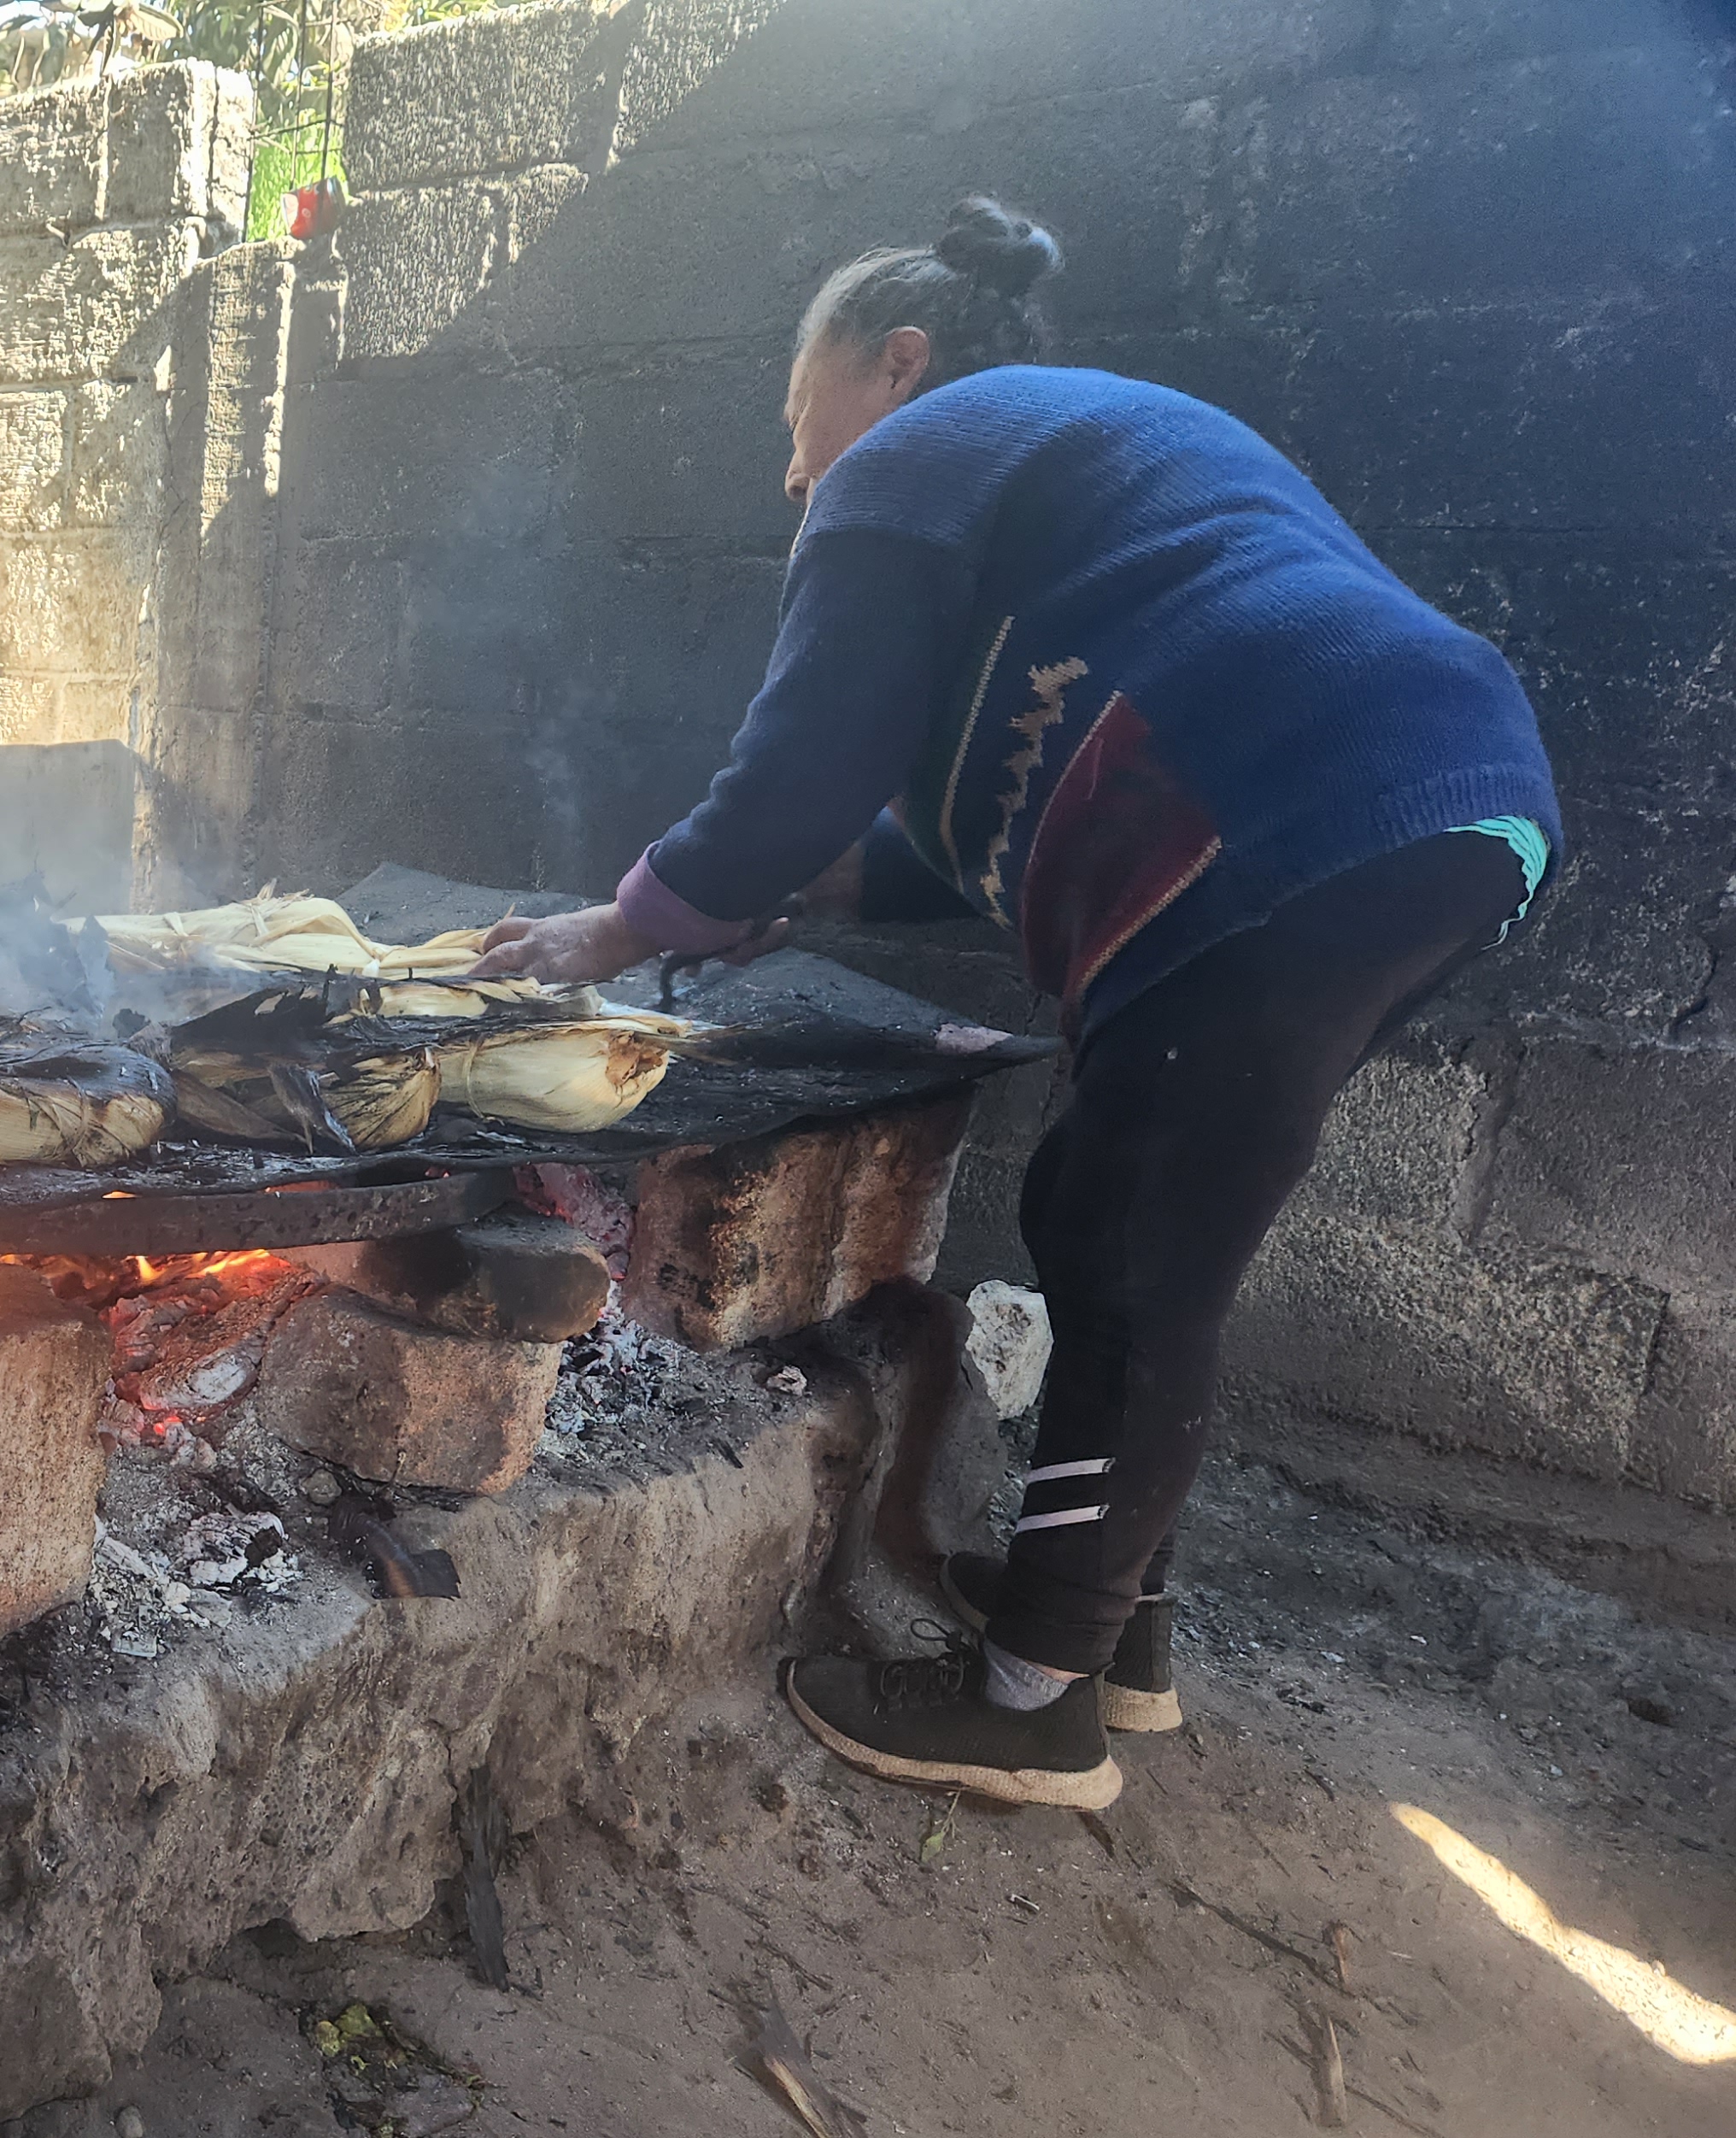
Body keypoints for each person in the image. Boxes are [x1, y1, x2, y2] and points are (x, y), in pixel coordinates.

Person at [479, 199, 1558, 1812]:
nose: (794, 471)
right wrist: (813, 886)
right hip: (1410, 813)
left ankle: (1035, 1707)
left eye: (799, 418)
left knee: (1138, 1245)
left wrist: (620, 928)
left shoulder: (925, 455)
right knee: (1122, 1201)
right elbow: (939, 825)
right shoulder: (1061, 471)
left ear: (898, 363)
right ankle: (1110, 1637)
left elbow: (796, 771)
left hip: (1307, 816)